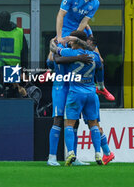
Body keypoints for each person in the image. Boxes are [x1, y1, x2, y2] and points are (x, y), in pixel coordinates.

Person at [56, 0, 114, 101]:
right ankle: (50, 72)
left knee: (100, 60)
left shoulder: (96, 3)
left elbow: (84, 22)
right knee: (56, 56)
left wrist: (76, 38)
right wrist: (60, 36)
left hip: (81, 31)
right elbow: (60, 15)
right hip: (66, 29)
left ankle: (101, 87)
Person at [51, 30, 103, 166]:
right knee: (59, 120)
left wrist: (53, 44)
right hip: (64, 88)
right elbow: (54, 60)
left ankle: (72, 154)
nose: (68, 41)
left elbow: (56, 55)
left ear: (76, 41)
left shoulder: (68, 51)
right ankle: (52, 157)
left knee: (73, 123)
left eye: (70, 40)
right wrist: (101, 85)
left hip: (73, 90)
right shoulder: (93, 55)